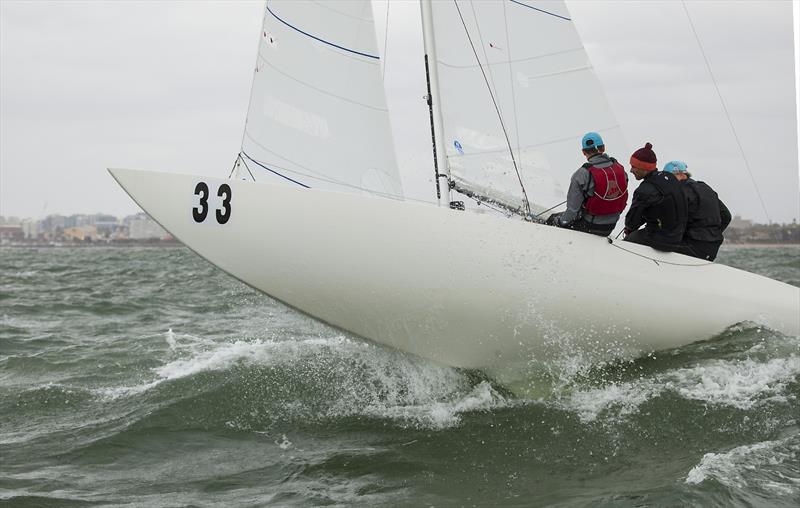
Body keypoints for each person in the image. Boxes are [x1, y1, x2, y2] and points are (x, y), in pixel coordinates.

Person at [546, 131, 628, 236]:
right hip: (611, 225)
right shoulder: (620, 169)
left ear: (584, 152)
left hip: (590, 226)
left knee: (552, 219)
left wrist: (561, 222)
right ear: (603, 148)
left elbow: (572, 211)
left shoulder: (582, 174)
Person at [623, 143, 688, 251]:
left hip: (661, 240)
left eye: (634, 167)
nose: (631, 170)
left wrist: (629, 229)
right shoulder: (670, 178)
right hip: (679, 237)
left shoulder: (644, 190)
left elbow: (631, 223)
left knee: (627, 243)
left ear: (644, 168)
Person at [662, 160, 731, 261]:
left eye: (667, 177)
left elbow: (673, 222)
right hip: (712, 247)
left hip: (691, 246)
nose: (666, 181)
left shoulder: (678, 192)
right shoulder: (706, 188)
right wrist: (712, 233)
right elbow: (726, 216)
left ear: (679, 174)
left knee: (651, 241)